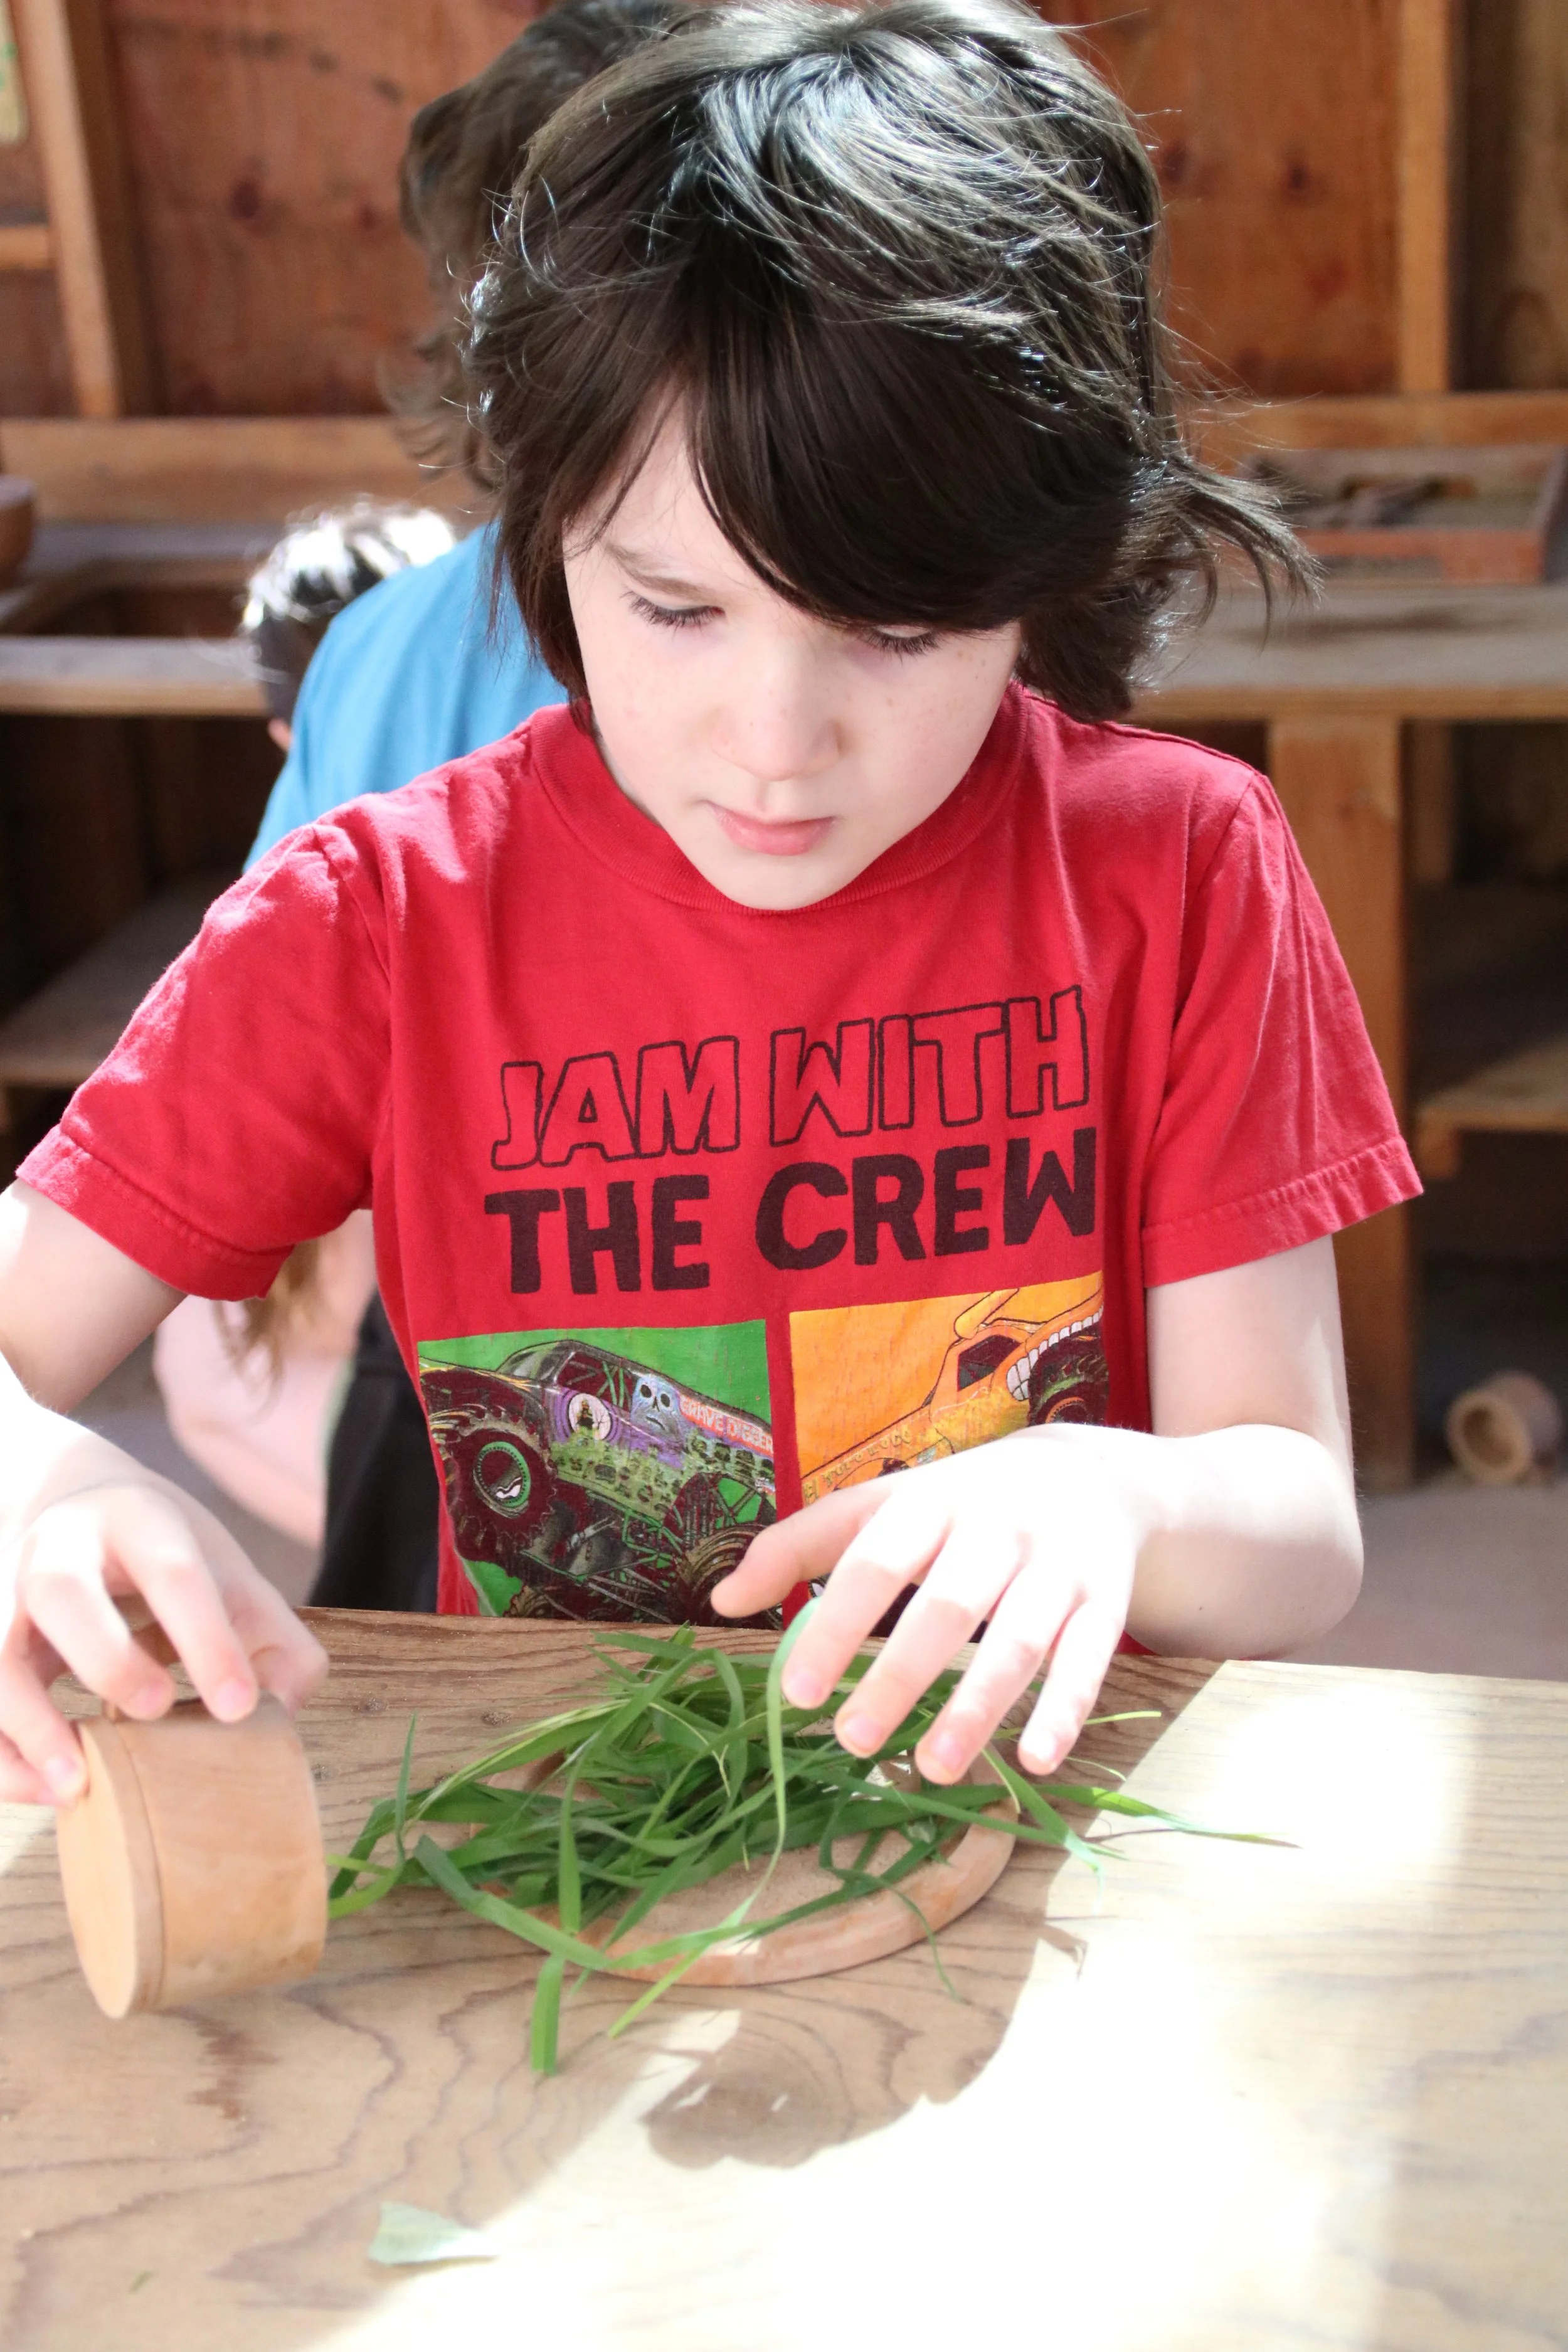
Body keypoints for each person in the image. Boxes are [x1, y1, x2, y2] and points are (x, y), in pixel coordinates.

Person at [0, 0, 1418, 1816]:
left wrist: (1119, 1497)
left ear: (1029, 573)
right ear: (541, 527)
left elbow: (1297, 1520)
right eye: (675, 607)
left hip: (1015, 1834)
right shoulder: (382, 915)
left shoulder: (1181, 868)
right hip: (554, 1856)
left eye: (893, 633)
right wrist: (49, 1485)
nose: (775, 745)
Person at [249, 0, 679, 1613]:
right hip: (504, 1335)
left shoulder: (374, 650)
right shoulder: (396, 648)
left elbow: (291, 1099)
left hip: (447, 1311)